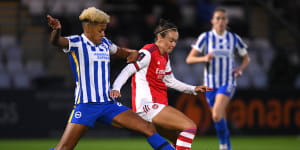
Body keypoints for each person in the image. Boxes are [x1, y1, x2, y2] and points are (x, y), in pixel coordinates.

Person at [47, 7, 175, 150]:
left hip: (108, 104)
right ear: (89, 28)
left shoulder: (105, 43)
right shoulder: (76, 42)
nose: (103, 33)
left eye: (104, 30)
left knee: (148, 128)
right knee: (64, 148)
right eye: (100, 30)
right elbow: (56, 41)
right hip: (86, 105)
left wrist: (132, 53)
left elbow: (120, 52)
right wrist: (56, 30)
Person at [110, 19, 211, 150]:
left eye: (175, 41)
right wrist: (116, 87)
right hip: (148, 106)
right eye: (171, 40)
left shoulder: (164, 57)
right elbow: (128, 69)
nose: (174, 44)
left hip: (156, 106)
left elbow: (170, 81)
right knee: (189, 126)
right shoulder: (148, 52)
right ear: (159, 37)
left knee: (177, 140)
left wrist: (193, 89)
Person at [185, 8, 250, 150]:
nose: (220, 21)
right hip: (209, 84)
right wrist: (204, 57)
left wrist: (240, 69)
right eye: (218, 18)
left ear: (227, 21)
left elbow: (246, 58)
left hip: (227, 81)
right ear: (212, 21)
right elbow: (189, 59)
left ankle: (224, 146)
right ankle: (226, 145)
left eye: (223, 18)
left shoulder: (233, 38)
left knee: (216, 114)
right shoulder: (205, 37)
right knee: (218, 117)